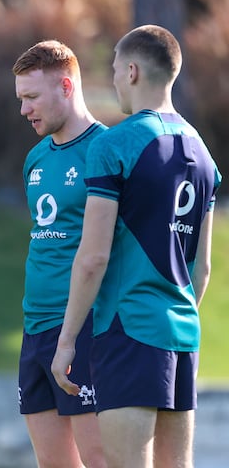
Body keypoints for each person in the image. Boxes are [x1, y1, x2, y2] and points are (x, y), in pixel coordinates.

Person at [51, 25, 221, 468]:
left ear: (131, 71)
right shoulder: (204, 155)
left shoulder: (113, 145)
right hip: (183, 335)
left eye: (113, 70)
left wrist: (67, 341)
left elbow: (93, 258)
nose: (112, 80)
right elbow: (201, 268)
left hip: (128, 331)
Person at [12, 40, 107, 468]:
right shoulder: (35, 158)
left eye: (31, 97)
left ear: (66, 87)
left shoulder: (108, 151)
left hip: (86, 329)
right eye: (20, 99)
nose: (24, 110)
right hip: (35, 329)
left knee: (100, 460)